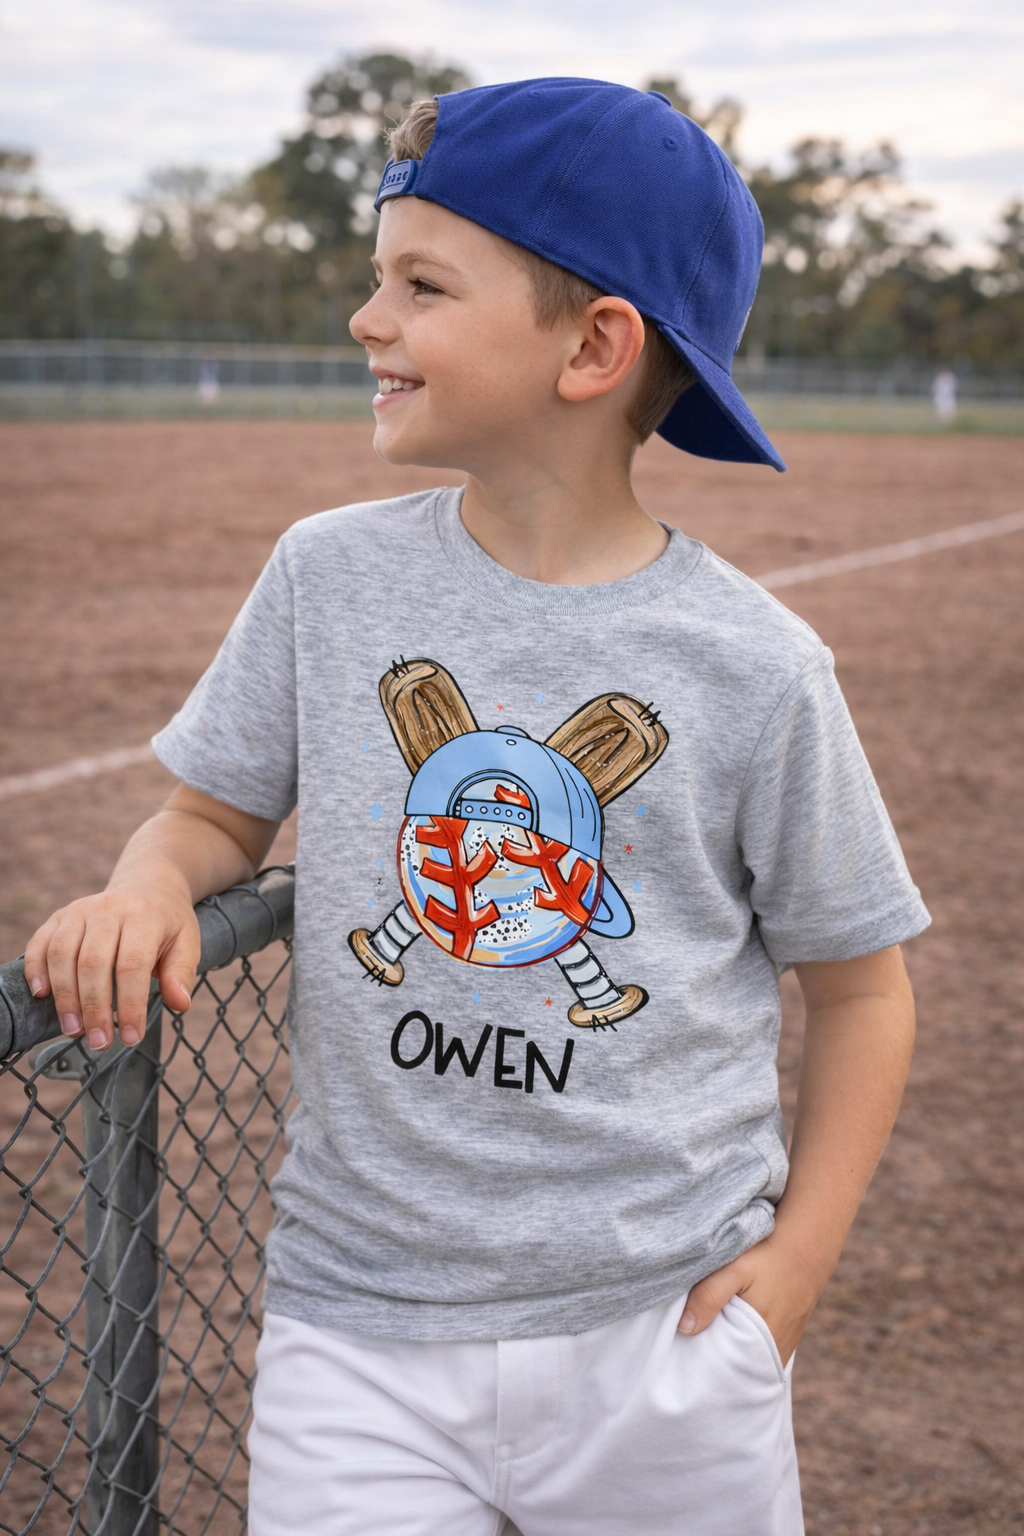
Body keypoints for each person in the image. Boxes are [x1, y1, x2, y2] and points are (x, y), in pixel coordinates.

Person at [22, 80, 929, 1534]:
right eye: (378, 278)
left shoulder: (756, 665)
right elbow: (209, 822)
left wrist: (795, 1273)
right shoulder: (328, 576)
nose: (367, 319)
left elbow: (864, 988)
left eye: (420, 284)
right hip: (358, 1334)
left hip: (667, 1337)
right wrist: (147, 885)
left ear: (594, 347)